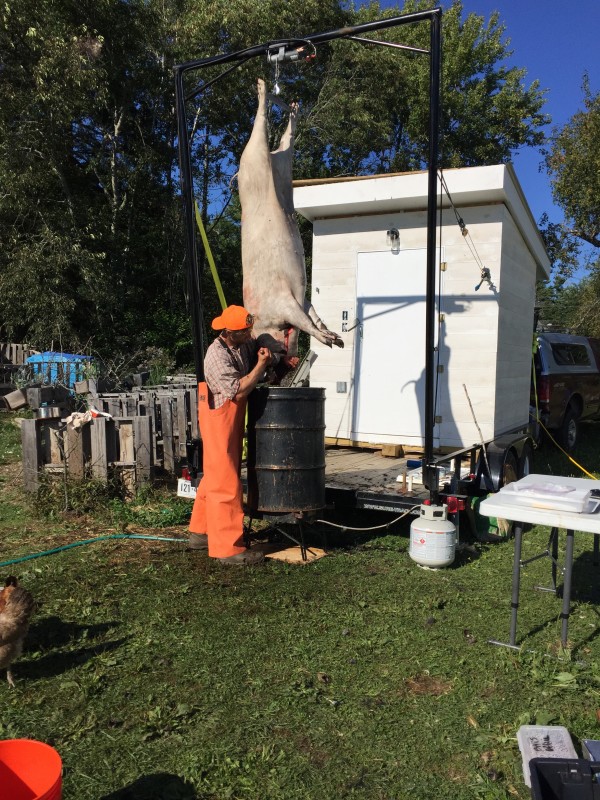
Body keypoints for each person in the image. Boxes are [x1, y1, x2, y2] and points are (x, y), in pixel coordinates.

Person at [188, 305, 273, 565]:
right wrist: (261, 365)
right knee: (226, 481)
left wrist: (269, 345)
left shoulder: (242, 343)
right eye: (243, 331)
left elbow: (260, 339)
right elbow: (237, 391)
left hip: (230, 420)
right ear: (228, 332)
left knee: (215, 475)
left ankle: (201, 533)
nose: (249, 334)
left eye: (249, 328)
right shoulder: (215, 356)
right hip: (219, 419)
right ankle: (228, 548)